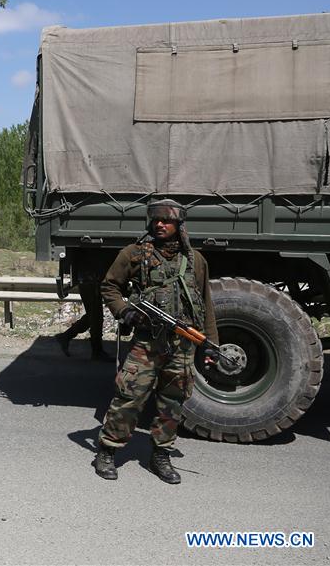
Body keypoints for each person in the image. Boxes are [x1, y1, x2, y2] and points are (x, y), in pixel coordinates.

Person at [93, 199, 218, 484]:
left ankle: (160, 454)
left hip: (182, 345)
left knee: (173, 403)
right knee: (129, 397)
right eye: (156, 220)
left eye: (167, 220)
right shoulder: (135, 254)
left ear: (179, 225)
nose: (160, 224)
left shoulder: (195, 260)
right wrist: (124, 312)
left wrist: (210, 344)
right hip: (147, 342)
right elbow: (109, 286)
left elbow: (206, 304)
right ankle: (107, 450)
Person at [54, 273, 112, 362]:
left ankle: (66, 336)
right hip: (90, 280)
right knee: (95, 316)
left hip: (89, 280)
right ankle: (97, 351)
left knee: (92, 316)